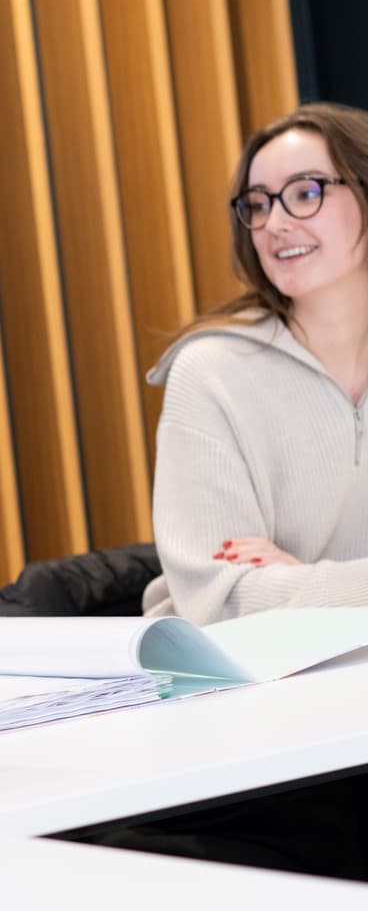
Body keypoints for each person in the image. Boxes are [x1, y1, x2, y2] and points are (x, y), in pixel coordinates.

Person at [144, 101, 368, 626]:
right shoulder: (209, 372)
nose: (275, 223)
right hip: (249, 685)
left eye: (305, 193)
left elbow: (273, 597)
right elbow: (222, 601)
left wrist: (302, 581)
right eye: (258, 204)